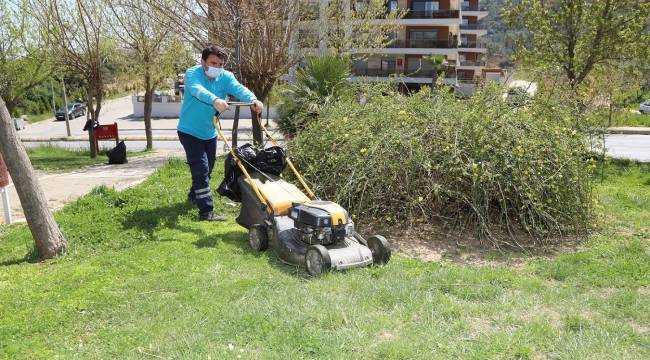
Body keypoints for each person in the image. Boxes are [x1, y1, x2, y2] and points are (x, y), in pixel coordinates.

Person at [177, 45, 263, 221]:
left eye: (220, 64)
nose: (217, 67)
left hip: (210, 131)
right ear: (203, 62)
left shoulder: (226, 77)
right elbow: (196, 90)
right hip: (189, 131)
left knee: (207, 170)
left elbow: (238, 89)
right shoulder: (193, 74)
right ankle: (206, 211)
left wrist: (253, 99)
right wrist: (215, 100)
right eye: (213, 63)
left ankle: (195, 195)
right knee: (201, 169)